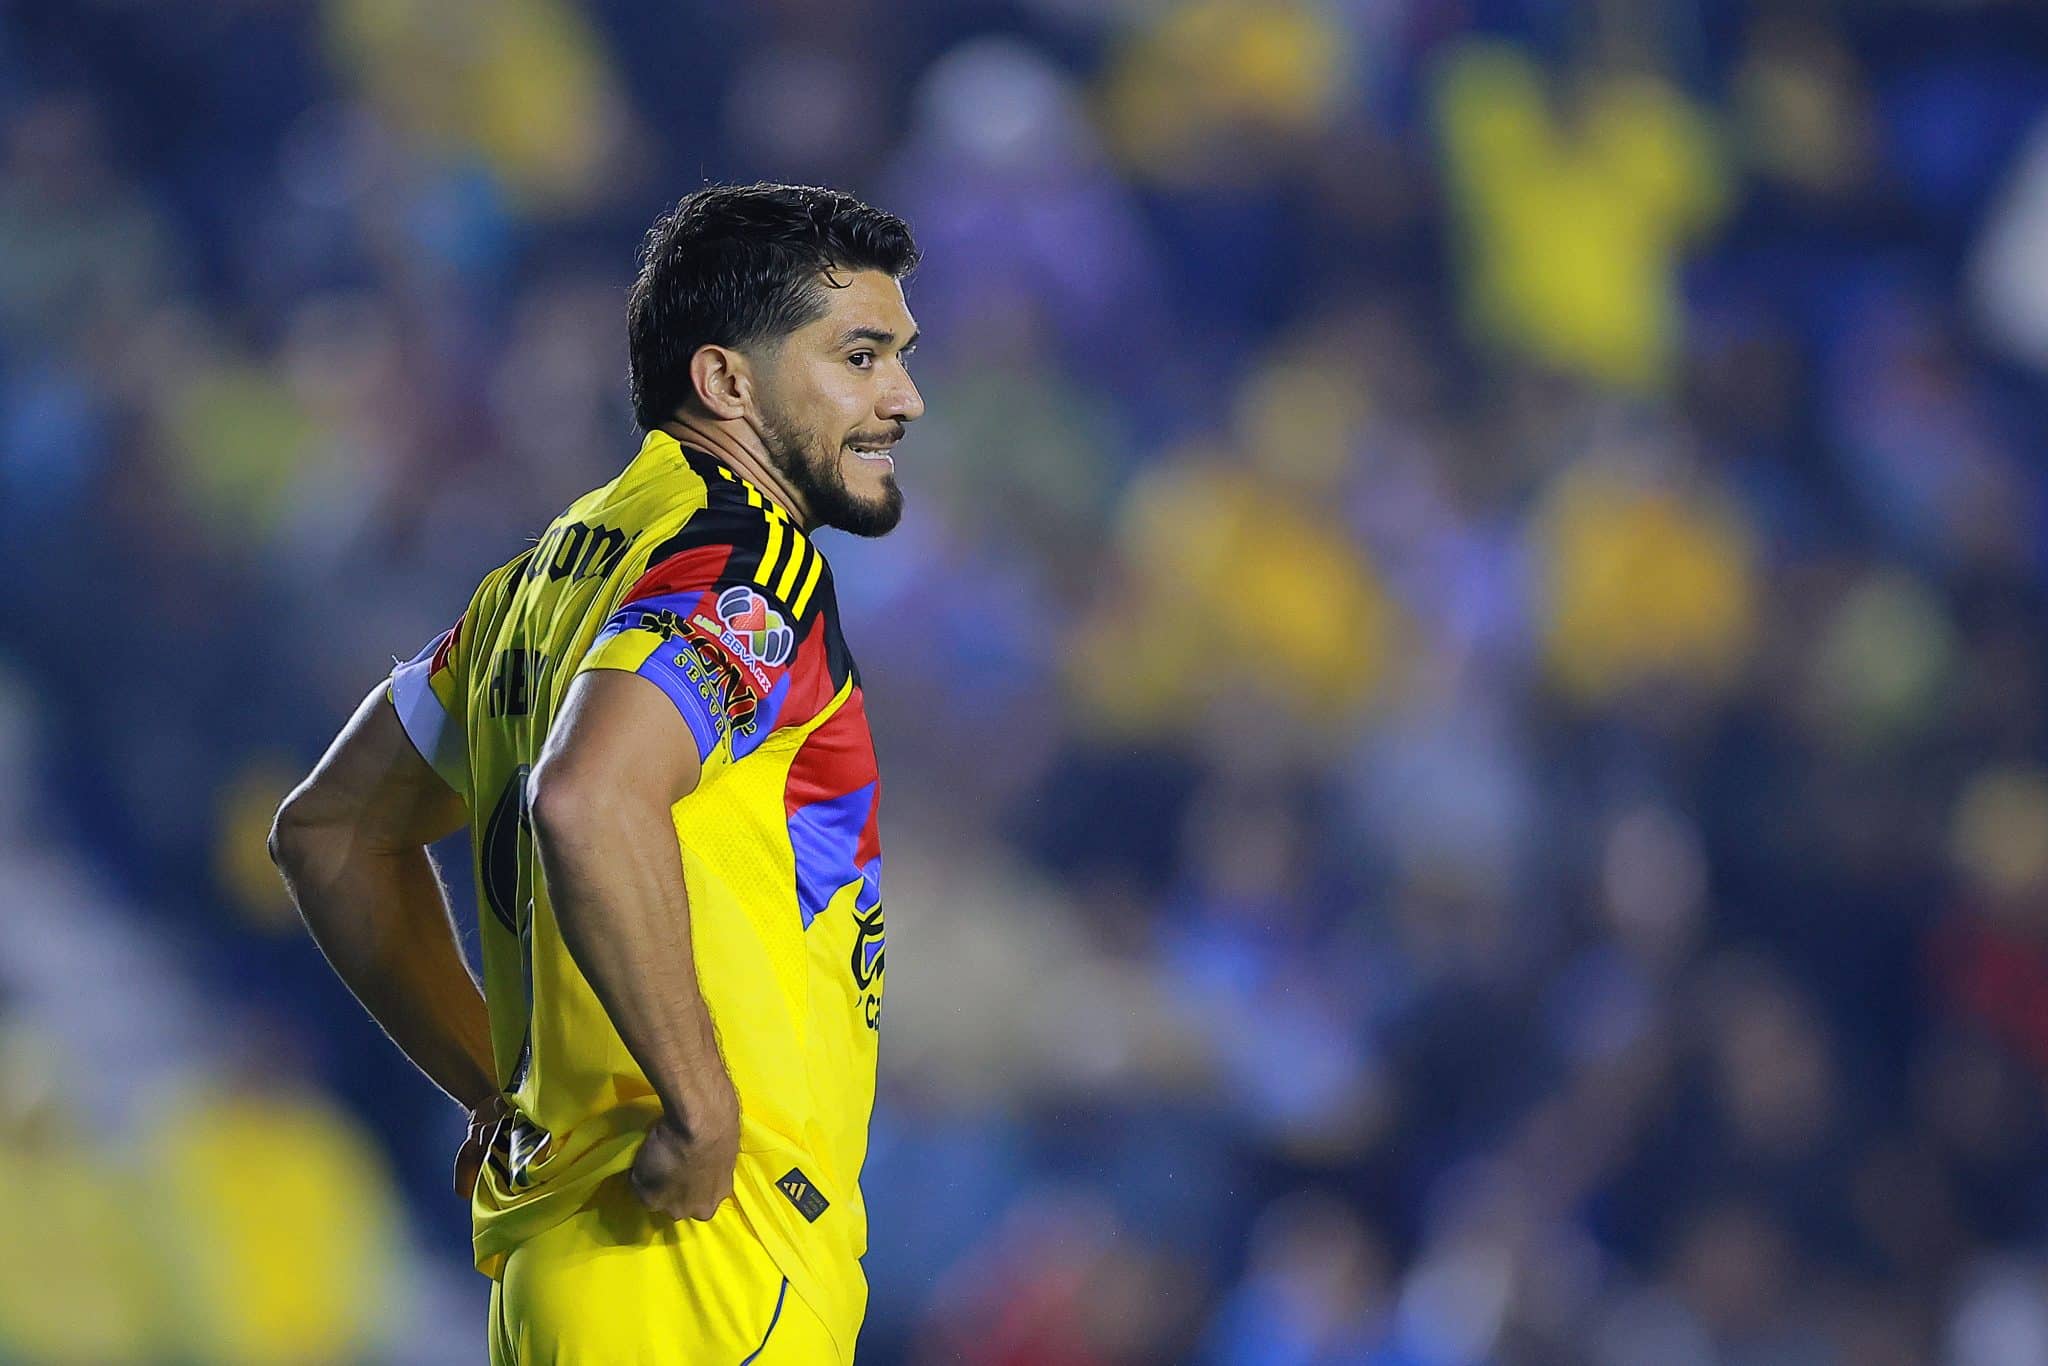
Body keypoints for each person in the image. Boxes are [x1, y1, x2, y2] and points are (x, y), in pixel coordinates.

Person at [268, 182, 924, 1365]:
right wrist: (701, 1107)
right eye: (859, 356)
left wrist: (497, 1090)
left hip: (571, 1268)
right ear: (725, 381)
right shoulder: (747, 564)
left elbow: (333, 833)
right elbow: (587, 797)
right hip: (707, 1260)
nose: (902, 398)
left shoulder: (539, 582)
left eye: (899, 357)